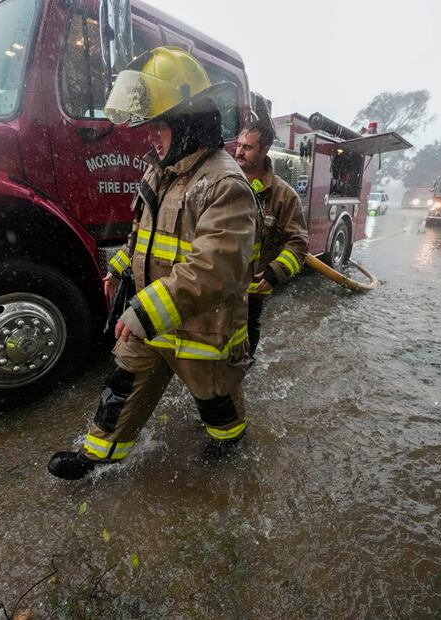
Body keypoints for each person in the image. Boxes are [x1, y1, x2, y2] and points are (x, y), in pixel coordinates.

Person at [48, 47, 258, 480]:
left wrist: (144, 310)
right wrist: (120, 265)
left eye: (158, 127)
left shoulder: (225, 183)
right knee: (121, 387)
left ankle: (229, 448)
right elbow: (143, 238)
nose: (151, 138)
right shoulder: (157, 173)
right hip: (151, 319)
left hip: (204, 330)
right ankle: (96, 458)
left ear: (187, 123)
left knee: (216, 404)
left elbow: (214, 269)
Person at [234, 121, 309, 357]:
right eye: (238, 145)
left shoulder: (284, 196)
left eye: (247, 147)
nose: (238, 151)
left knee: (247, 332)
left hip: (251, 287)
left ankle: (243, 370)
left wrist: (275, 273)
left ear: (264, 150)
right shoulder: (223, 182)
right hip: (218, 284)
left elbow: (298, 244)